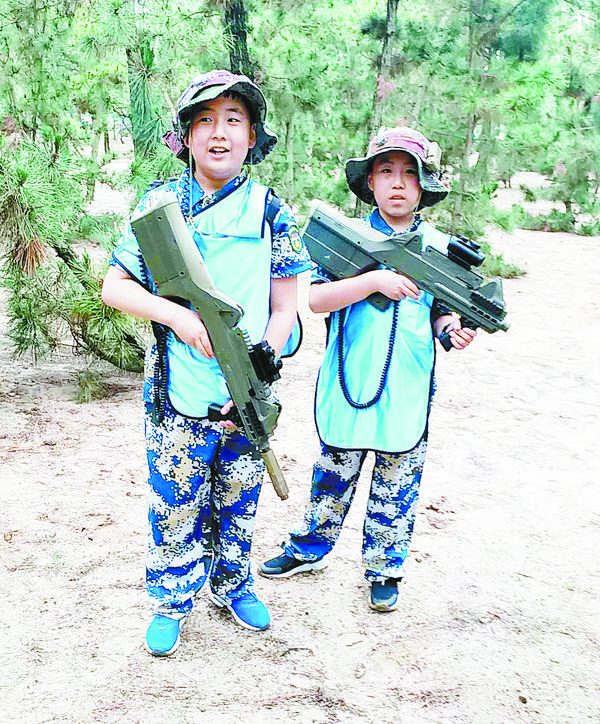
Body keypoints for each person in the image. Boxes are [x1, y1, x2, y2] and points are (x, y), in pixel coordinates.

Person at [101, 70, 312, 655]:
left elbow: (285, 304)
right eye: (205, 121)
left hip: (247, 387)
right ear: (187, 136)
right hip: (177, 390)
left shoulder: (270, 210)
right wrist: (179, 319)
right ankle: (171, 599)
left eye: (233, 121)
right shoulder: (160, 205)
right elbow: (115, 287)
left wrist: (266, 353)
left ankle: (233, 584)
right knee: (175, 502)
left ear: (252, 137)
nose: (219, 133)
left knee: (239, 496)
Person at [259, 126, 477, 612]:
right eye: (386, 171)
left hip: (407, 383)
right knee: (332, 474)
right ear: (370, 182)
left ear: (424, 185)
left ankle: (384, 568)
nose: (397, 183)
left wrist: (452, 330)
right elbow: (316, 299)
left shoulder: (439, 249)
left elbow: (444, 312)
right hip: (349, 379)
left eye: (409, 173)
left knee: (397, 482)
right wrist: (374, 280)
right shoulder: (346, 240)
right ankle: (309, 548)